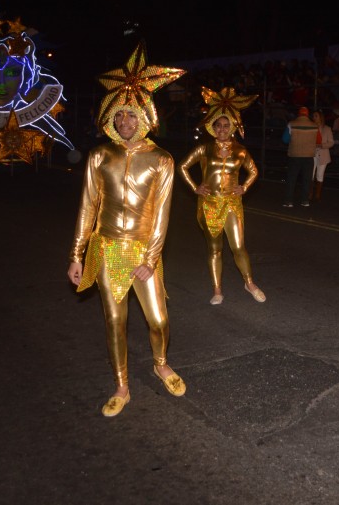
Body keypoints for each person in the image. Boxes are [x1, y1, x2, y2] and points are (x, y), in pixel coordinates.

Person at [67, 43, 187, 417]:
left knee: (159, 319)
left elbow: (163, 215)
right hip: (105, 249)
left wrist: (151, 259)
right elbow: (88, 206)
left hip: (142, 250)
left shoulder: (161, 160)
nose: (125, 123)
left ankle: (161, 362)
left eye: (131, 116)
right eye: (119, 117)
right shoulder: (100, 156)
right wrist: (76, 254)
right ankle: (122, 385)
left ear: (144, 117)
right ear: (110, 119)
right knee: (114, 320)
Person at [178, 87, 265, 306]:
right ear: (213, 127)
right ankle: (217, 288)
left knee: (238, 246)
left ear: (232, 127)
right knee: (215, 249)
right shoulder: (205, 149)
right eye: (219, 125)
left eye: (226, 126)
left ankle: (249, 282)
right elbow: (183, 167)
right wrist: (195, 187)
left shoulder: (240, 151)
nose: (223, 129)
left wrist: (244, 187)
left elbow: (254, 171)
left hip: (232, 204)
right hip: (209, 204)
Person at [282, 106, 318, 207]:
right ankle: (305, 200)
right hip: (309, 156)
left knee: (292, 178)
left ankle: (289, 201)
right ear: (307, 114)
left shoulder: (291, 124)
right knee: (307, 179)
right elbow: (318, 140)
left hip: (295, 155)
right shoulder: (314, 126)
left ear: (299, 114)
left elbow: (285, 139)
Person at [310, 110, 334, 202]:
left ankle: (317, 194)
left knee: (319, 175)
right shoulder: (311, 128)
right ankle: (310, 193)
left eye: (316, 116)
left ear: (320, 117)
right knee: (310, 174)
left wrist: (322, 145)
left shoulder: (327, 129)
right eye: (313, 116)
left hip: (323, 154)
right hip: (312, 153)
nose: (314, 118)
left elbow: (331, 142)